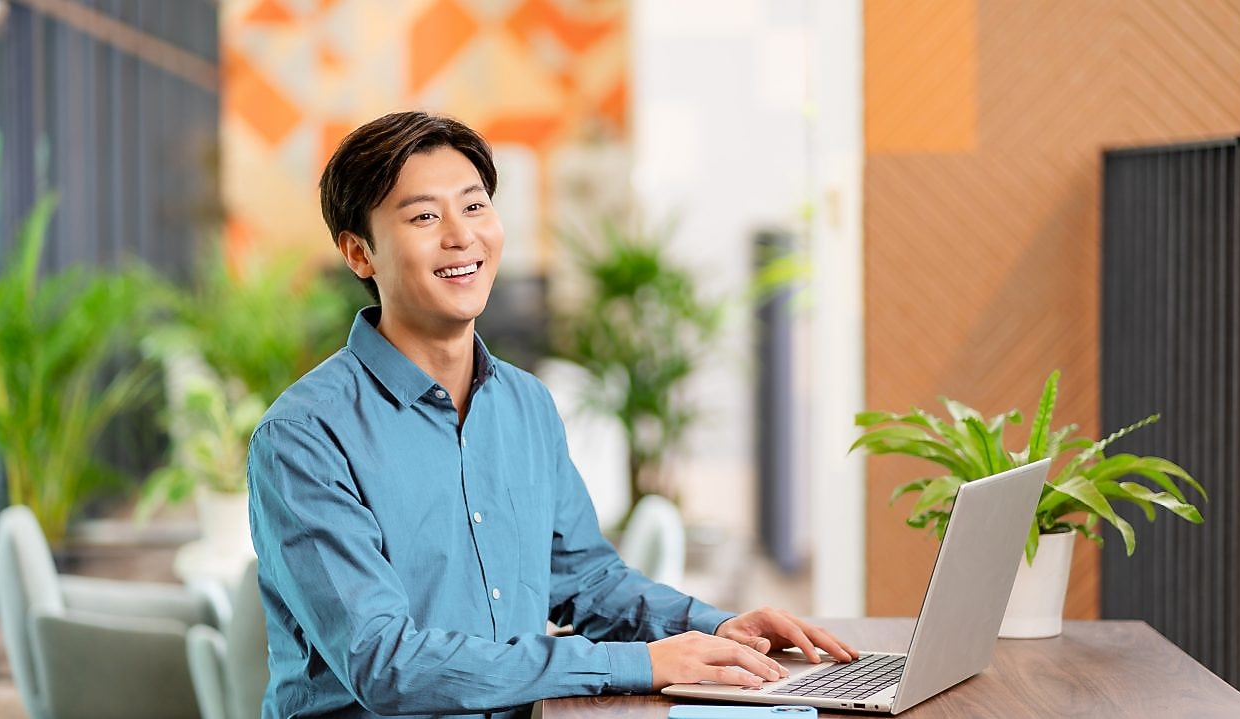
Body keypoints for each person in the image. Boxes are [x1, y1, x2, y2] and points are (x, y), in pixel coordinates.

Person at [247, 110, 856, 719]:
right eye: (425, 216)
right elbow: (387, 664)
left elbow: (585, 580)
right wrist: (634, 664)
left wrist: (722, 628)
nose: (462, 236)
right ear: (360, 253)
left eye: (476, 206)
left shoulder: (525, 405)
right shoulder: (303, 436)